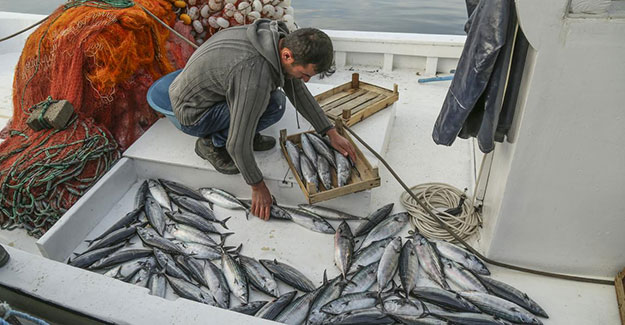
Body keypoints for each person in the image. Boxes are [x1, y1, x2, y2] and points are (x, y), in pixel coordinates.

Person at [169, 19, 357, 220]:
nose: (306, 80)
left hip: (206, 90)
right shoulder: (254, 75)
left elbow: (297, 91)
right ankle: (211, 143)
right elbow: (237, 145)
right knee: (273, 105)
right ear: (287, 56)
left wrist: (329, 131)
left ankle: (242, 127)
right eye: (304, 74)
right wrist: (257, 185)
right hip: (194, 113)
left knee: (275, 100)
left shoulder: (276, 38)